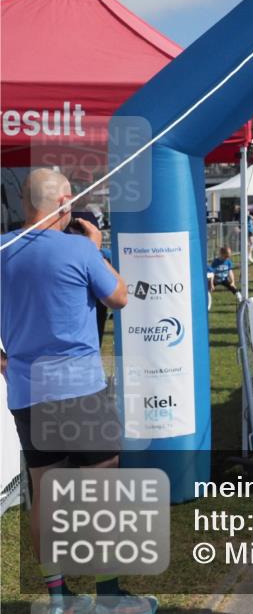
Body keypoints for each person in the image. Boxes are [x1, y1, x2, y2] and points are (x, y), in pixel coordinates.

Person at [0, 169, 157, 614]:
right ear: (65, 202)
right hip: (81, 391)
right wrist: (94, 248)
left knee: (44, 494)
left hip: (27, 392)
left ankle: (59, 598)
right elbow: (120, 297)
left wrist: (6, 364)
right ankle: (108, 594)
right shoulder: (77, 248)